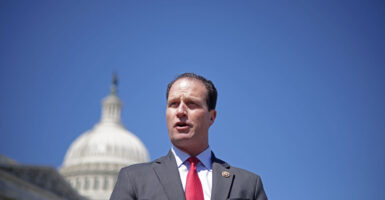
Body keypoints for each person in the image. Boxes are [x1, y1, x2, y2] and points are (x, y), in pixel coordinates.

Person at [110, 73, 267, 200]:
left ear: (212, 117)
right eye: (173, 104)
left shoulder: (247, 184)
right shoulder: (134, 179)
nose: (180, 112)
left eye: (191, 104)